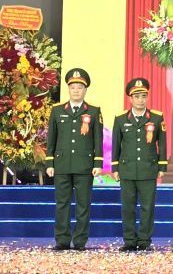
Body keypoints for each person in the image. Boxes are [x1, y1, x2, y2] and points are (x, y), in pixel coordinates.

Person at [45, 68, 104, 251]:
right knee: (62, 204)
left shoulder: (93, 111)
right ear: (68, 90)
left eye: (80, 87)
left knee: (83, 204)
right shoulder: (56, 111)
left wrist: (98, 163)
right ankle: (62, 240)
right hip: (61, 164)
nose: (76, 90)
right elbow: (51, 138)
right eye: (73, 87)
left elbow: (98, 139)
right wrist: (49, 162)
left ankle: (79, 241)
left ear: (85, 90)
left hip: (84, 165)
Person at [111, 78, 168, 251]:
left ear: (147, 97)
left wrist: (162, 166)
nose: (140, 100)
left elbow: (163, 144)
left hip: (148, 169)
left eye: (143, 96)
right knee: (127, 208)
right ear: (130, 98)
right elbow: (116, 144)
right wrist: (115, 167)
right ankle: (129, 240)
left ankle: (144, 241)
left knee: (147, 207)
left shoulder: (157, 118)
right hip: (127, 169)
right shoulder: (121, 119)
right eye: (136, 97)